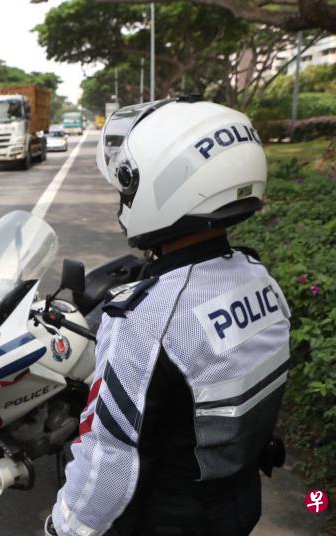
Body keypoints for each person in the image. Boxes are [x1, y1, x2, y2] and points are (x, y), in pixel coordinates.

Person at [46, 98, 290, 536]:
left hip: (168, 519)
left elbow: (109, 458)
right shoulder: (258, 279)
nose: (123, 200)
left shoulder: (147, 319)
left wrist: (62, 527)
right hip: (238, 501)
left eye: (126, 188)